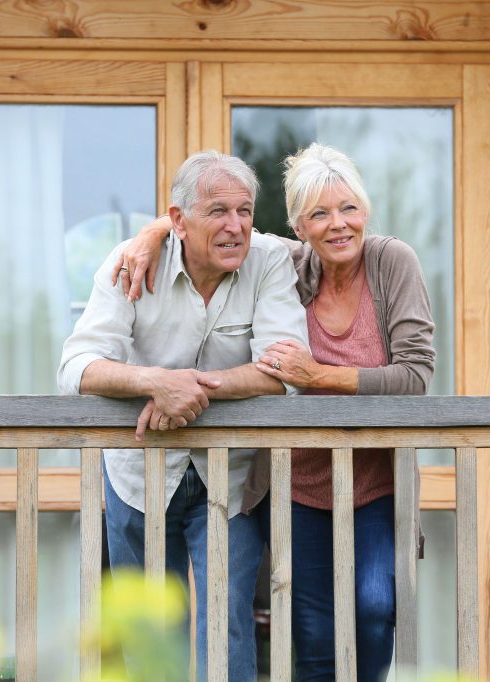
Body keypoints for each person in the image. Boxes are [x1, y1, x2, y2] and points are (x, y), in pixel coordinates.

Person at [118, 143, 435, 681]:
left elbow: (415, 376)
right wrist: (151, 235)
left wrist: (316, 376)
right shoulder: (281, 262)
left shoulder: (392, 262)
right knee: (312, 635)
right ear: (297, 226)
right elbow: (208, 223)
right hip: (297, 486)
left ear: (366, 210)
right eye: (320, 214)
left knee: (376, 612)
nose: (338, 225)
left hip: (376, 483)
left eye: (349, 208)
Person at [57, 150, 308, 681]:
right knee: (151, 635)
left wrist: (193, 392)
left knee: (226, 625)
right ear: (177, 221)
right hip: (136, 471)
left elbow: (284, 369)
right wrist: (155, 382)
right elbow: (76, 367)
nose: (235, 226)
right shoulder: (129, 261)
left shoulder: (270, 261)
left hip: (231, 474)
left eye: (244, 210)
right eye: (217, 211)